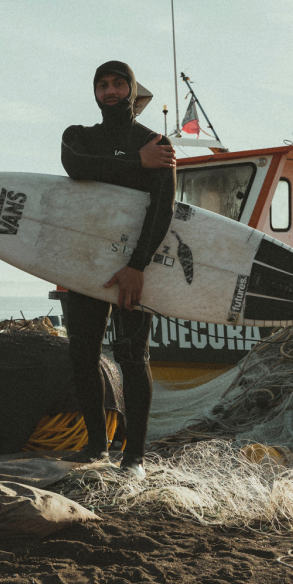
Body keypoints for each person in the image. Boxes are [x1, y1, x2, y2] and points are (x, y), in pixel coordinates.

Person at [60, 60, 176, 476]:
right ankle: (96, 449)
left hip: (132, 265)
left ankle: (135, 458)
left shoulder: (156, 143)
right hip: (88, 262)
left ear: (131, 88)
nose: (109, 91)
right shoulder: (79, 137)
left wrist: (137, 266)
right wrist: (135, 164)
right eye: (102, 85)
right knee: (82, 354)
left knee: (132, 356)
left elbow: (161, 210)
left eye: (118, 84)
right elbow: (77, 166)